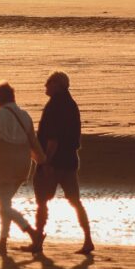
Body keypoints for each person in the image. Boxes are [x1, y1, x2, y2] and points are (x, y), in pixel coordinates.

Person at [26, 71, 94, 255]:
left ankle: (38, 241)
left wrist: (46, 162)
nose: (45, 86)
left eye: (48, 82)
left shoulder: (54, 106)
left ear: (58, 85)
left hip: (54, 162)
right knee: (75, 201)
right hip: (70, 161)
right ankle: (88, 239)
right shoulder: (72, 105)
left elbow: (52, 139)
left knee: (42, 202)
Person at [0, 81, 47, 254]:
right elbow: (34, 142)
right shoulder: (25, 115)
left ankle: (32, 232)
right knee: (5, 204)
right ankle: (2, 242)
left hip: (3, 166)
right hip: (22, 166)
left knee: (3, 206)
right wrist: (42, 161)